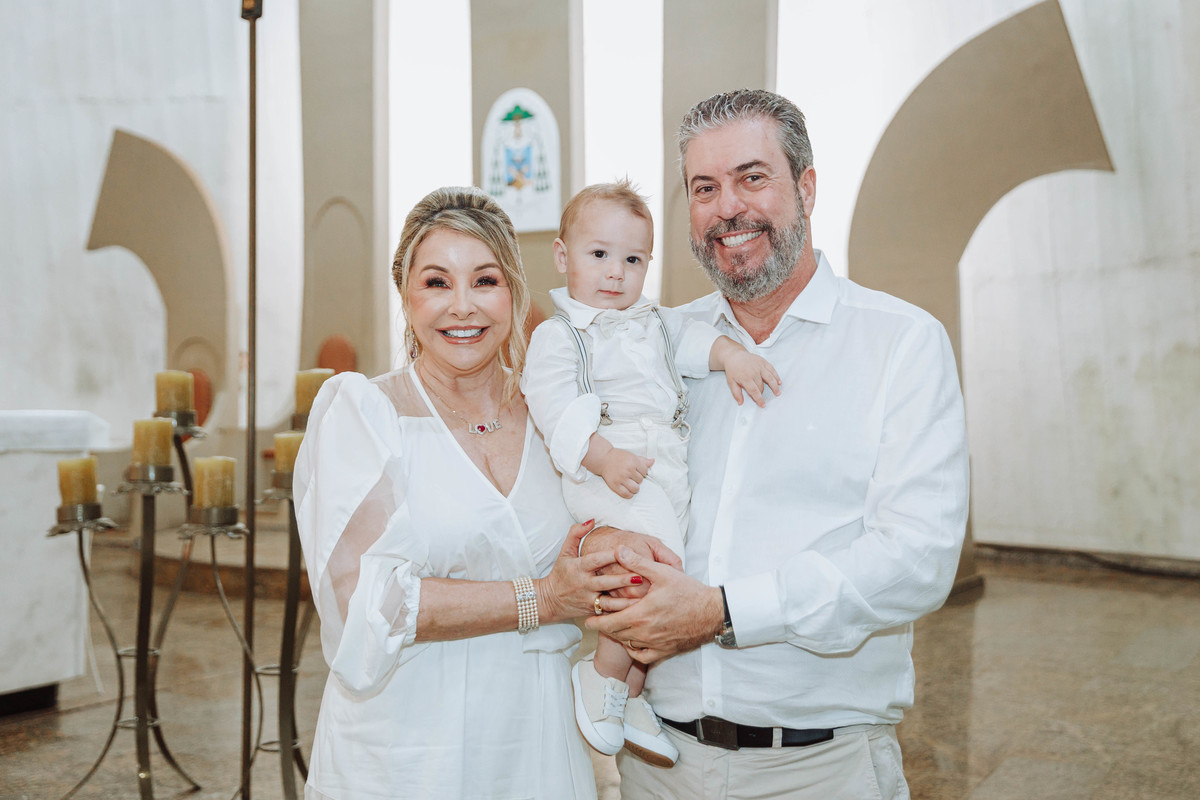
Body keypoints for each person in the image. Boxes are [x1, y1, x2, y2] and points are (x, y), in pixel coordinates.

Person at [584, 89, 970, 799]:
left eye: (752, 177)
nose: (727, 208)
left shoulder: (900, 344)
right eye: (705, 188)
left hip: (819, 770)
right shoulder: (651, 343)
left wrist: (724, 610)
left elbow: (917, 558)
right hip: (658, 764)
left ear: (808, 186)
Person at [294, 186, 638, 799]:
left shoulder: (558, 418)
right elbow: (364, 608)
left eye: (484, 281)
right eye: (436, 282)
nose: (462, 307)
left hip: (534, 744)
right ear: (404, 294)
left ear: (514, 292)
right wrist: (543, 599)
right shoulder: (365, 415)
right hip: (404, 749)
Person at [521, 180, 780, 769]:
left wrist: (732, 356)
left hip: (662, 466)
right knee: (653, 568)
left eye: (632, 260)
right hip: (606, 465)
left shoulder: (656, 322)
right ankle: (603, 676)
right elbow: (552, 405)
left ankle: (635, 695)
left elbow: (696, 340)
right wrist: (602, 457)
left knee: (670, 563)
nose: (616, 273)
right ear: (564, 257)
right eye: (599, 255)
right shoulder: (559, 335)